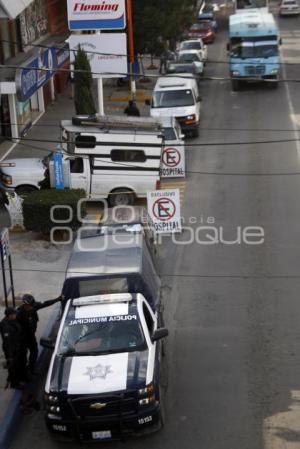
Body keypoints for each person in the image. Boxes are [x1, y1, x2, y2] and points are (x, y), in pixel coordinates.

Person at [17, 294, 62, 374]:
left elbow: (45, 303)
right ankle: (22, 373)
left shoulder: (34, 306)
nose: (32, 307)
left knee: (34, 352)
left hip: (31, 336)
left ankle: (31, 368)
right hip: (22, 338)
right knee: (22, 356)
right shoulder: (19, 313)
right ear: (25, 305)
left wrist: (57, 299)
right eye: (30, 306)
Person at [0, 307, 27, 388]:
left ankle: (19, 378)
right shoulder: (6, 327)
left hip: (16, 347)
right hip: (12, 351)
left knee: (17, 365)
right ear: (10, 316)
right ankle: (14, 384)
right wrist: (10, 356)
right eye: (14, 314)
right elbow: (8, 344)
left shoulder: (11, 320)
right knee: (13, 368)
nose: (16, 315)